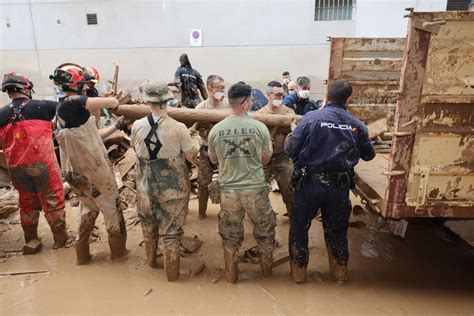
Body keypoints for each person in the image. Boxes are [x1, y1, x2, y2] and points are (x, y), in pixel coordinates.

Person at [284, 79, 375, 284]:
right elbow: (369, 156)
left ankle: (298, 276)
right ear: (348, 100)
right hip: (339, 188)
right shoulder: (357, 125)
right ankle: (339, 276)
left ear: (326, 95)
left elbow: (290, 150)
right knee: (337, 231)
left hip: (309, 185)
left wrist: (292, 133)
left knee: (299, 229)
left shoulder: (310, 119)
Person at [50, 63, 128, 265]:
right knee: (112, 208)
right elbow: (110, 102)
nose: (87, 87)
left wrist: (115, 127)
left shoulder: (62, 112)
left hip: (75, 173)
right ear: (76, 83)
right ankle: (119, 254)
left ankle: (82, 257)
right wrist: (113, 99)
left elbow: (92, 136)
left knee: (88, 208)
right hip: (93, 170)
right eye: (84, 84)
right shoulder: (73, 102)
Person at [208, 83, 276, 283]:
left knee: (230, 238)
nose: (252, 103)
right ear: (246, 103)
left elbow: (213, 159)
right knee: (265, 233)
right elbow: (267, 158)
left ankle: (231, 278)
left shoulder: (216, 130)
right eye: (251, 100)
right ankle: (267, 275)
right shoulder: (260, 127)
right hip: (255, 189)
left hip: (228, 192)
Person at [131, 83, 197, 282]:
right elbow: (191, 157)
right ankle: (172, 277)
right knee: (171, 233)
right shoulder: (179, 128)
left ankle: (151, 263)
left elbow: (136, 150)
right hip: (172, 190)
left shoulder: (137, 125)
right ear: (168, 100)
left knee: (148, 227)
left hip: (144, 187)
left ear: (148, 101)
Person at [0, 73, 67, 254]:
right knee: (52, 201)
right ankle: (60, 241)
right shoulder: (43, 106)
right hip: (43, 166)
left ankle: (31, 239)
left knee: (27, 203)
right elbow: (68, 109)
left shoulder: (1, 114)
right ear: (26, 88)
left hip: (17, 169)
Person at [195, 75, 230, 219]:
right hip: (206, 149)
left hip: (226, 151)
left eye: (223, 87)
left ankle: (226, 212)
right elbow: (194, 128)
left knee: (227, 182)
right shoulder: (201, 107)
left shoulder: (228, 106)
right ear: (209, 88)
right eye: (219, 87)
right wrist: (203, 130)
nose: (222, 90)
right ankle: (201, 213)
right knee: (203, 183)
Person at [257, 81, 294, 217]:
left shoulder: (288, 112)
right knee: (258, 189)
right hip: (263, 158)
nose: (280, 98)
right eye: (277, 95)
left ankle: (292, 217)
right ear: (268, 95)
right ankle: (261, 218)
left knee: (288, 189)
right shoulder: (259, 115)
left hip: (282, 156)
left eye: (281, 95)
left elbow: (292, 134)